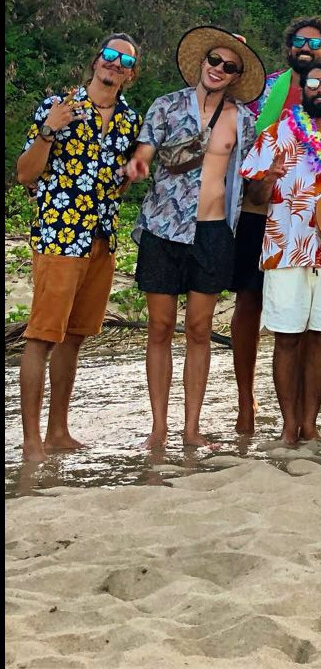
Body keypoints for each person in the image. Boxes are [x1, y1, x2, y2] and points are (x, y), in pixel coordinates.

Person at [124, 25, 263, 448]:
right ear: (202, 63)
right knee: (160, 328)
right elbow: (144, 152)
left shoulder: (245, 120)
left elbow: (251, 183)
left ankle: (191, 428)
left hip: (213, 231)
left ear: (237, 76)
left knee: (200, 329)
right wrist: (138, 166)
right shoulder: (165, 106)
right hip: (163, 229)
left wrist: (269, 180)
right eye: (214, 61)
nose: (219, 69)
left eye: (229, 66)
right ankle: (159, 428)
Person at [16, 34, 142, 461]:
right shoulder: (59, 106)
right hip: (59, 236)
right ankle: (31, 440)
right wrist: (50, 130)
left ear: (130, 73)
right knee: (41, 337)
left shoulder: (129, 121)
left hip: (101, 240)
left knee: (74, 338)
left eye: (123, 60)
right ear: (96, 60)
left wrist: (132, 171)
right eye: (108, 54)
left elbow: (118, 180)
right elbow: (24, 173)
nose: (114, 63)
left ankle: (58, 432)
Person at [231, 16, 321, 435]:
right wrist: (268, 177)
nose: (320, 90)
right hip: (284, 246)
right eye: (313, 86)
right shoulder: (276, 130)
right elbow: (251, 191)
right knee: (284, 334)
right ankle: (285, 423)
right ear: (301, 91)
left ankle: (310, 423)